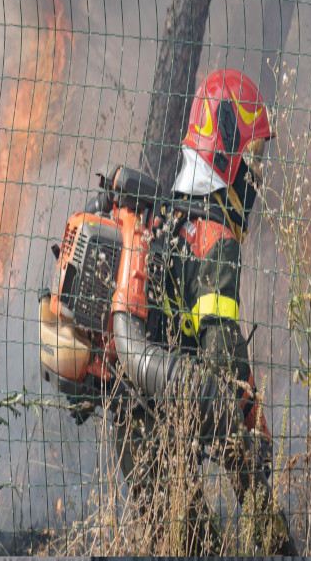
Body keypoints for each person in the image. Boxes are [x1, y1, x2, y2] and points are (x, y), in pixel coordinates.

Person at [111, 69, 296, 555]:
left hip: (135, 428)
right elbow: (221, 348)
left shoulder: (167, 215)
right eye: (253, 157)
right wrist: (252, 426)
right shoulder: (217, 239)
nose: (257, 173)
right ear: (227, 151)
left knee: (185, 544)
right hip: (159, 431)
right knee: (208, 546)